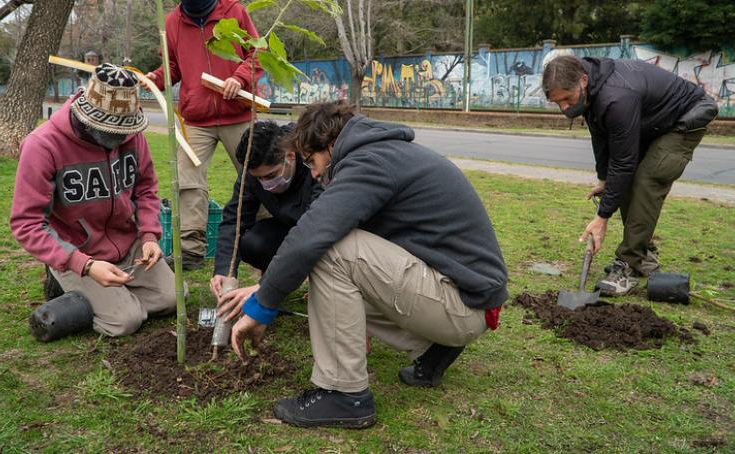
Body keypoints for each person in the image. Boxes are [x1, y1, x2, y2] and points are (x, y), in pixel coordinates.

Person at [227, 101, 508, 429]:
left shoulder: (370, 163)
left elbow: (311, 235)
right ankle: (435, 347)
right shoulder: (383, 153)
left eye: (312, 161)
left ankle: (344, 395)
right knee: (332, 273)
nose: (314, 173)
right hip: (467, 297)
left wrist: (262, 307)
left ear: (330, 144)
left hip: (462, 305)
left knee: (330, 249)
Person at [10, 63, 176, 337]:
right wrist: (83, 264)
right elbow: (26, 223)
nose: (120, 139)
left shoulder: (132, 134)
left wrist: (148, 235)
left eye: (124, 132)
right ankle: (63, 280)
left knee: (170, 300)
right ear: (86, 117)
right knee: (126, 321)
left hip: (128, 245)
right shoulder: (42, 145)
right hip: (77, 250)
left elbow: (146, 188)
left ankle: (109, 297)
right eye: (110, 132)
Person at [542, 55, 718, 296]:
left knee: (647, 179)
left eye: (567, 99)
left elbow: (623, 162)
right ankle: (643, 254)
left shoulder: (615, 97)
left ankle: (629, 265)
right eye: (557, 102)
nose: (564, 108)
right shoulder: (591, 88)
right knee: (622, 181)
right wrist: (604, 179)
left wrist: (602, 217)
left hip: (686, 117)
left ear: (583, 80)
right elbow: (600, 134)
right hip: (653, 120)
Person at [146, 0, 262, 269]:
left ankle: (269, 240)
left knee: (259, 175)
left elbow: (256, 53)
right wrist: (155, 78)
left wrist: (238, 79)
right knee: (187, 180)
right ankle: (191, 253)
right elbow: (171, 66)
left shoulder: (234, 12)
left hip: (238, 112)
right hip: (196, 119)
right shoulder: (173, 22)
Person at [211, 121, 321, 313]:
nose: (265, 184)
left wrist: (267, 287)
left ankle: (322, 283)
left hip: (321, 228)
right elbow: (234, 220)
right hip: (287, 225)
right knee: (253, 242)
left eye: (270, 175)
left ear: (289, 157)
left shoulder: (315, 161)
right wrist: (224, 271)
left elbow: (317, 228)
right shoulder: (252, 172)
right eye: (259, 178)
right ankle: (278, 281)